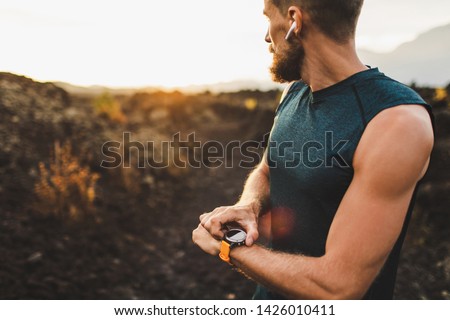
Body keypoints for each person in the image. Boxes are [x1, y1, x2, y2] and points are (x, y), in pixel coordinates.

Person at [192, 0, 434, 299]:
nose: (267, 36)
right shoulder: (295, 91)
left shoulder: (396, 121)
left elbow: (339, 286)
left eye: (269, 19)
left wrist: (229, 248)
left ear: (294, 20)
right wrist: (249, 206)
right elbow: (268, 170)